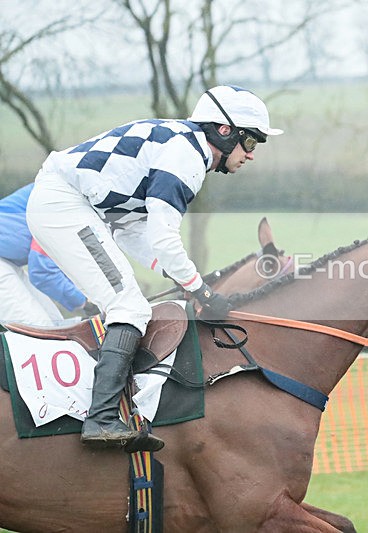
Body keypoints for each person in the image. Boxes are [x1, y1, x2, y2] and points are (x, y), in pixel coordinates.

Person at [26, 85, 283, 452]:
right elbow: (163, 238)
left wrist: (184, 279)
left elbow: (131, 228)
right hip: (63, 205)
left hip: (69, 204)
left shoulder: (180, 144)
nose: (251, 155)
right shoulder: (186, 158)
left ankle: (106, 408)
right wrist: (200, 290)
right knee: (129, 307)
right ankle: (100, 419)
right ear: (225, 131)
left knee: (129, 304)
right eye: (251, 142)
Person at [0, 183, 95, 326]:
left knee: (55, 325)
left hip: (7, 261)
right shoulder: (61, 202)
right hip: (6, 262)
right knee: (39, 329)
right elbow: (42, 272)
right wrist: (87, 304)